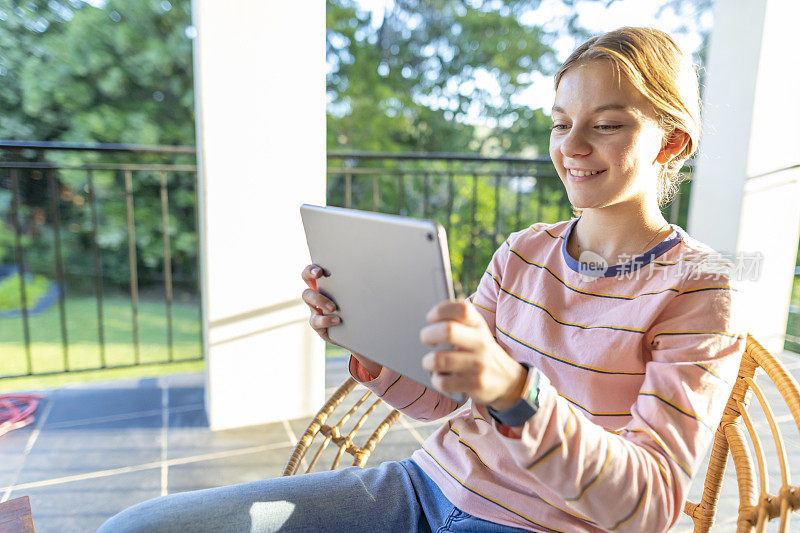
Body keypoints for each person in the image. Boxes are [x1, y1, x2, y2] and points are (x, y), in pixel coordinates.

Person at [98, 27, 745, 533]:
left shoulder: (700, 289)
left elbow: (651, 507)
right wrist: (373, 339)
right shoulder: (524, 251)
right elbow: (444, 398)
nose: (571, 145)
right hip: (423, 486)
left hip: (549, 520)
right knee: (140, 524)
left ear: (671, 143)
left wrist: (516, 392)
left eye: (606, 125)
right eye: (559, 121)